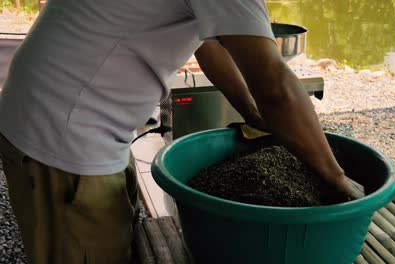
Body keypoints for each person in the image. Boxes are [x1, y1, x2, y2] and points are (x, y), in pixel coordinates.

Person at [0, 0, 364, 263]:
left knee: (114, 231)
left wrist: (250, 111)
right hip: (63, 130)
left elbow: (207, 44)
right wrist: (335, 176)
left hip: (71, 111)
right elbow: (276, 88)